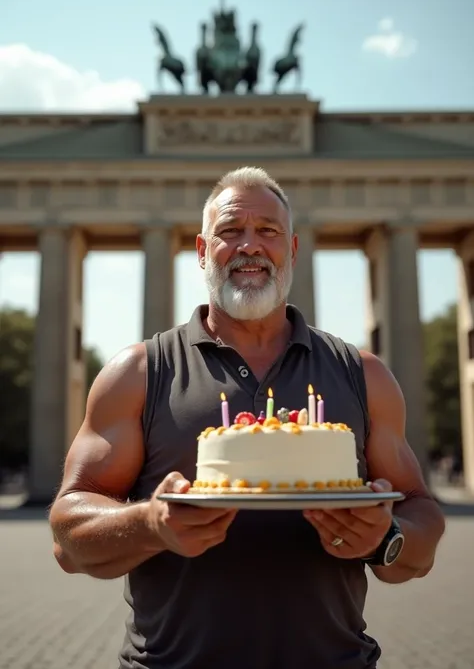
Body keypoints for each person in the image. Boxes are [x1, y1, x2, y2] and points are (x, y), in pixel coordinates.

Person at [49, 166, 445, 669]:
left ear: (293, 250)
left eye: (268, 232)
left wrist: (386, 539)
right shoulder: (140, 372)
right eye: (230, 231)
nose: (250, 246)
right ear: (200, 251)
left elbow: (421, 519)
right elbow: (67, 539)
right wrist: (149, 524)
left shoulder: (362, 374)